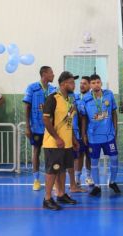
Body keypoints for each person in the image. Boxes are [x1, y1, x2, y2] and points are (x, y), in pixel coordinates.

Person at [42, 71, 78, 210]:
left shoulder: (69, 100)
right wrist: (57, 138)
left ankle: (61, 194)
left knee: (62, 170)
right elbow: (45, 119)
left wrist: (73, 139)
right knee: (52, 171)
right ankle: (47, 199)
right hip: (54, 143)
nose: (73, 85)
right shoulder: (53, 98)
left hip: (67, 144)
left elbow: (68, 122)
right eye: (71, 82)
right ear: (63, 84)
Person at [81, 74, 120, 196]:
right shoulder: (86, 98)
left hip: (108, 135)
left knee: (114, 158)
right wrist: (84, 134)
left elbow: (114, 112)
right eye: (93, 83)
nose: (96, 84)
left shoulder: (109, 94)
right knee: (94, 161)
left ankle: (112, 181)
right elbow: (83, 118)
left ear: (101, 83)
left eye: (98, 82)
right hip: (93, 136)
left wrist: (115, 129)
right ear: (90, 85)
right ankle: (97, 186)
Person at [23, 66, 57, 191]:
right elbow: (27, 107)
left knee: (51, 155)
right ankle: (36, 180)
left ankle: (52, 181)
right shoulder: (32, 88)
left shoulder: (54, 89)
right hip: (36, 127)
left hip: (50, 128)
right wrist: (27, 126)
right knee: (36, 152)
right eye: (51, 73)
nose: (53, 75)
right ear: (44, 74)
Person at [73, 76, 93, 187]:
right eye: (80, 83)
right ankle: (77, 178)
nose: (81, 85)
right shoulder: (75, 97)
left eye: (84, 83)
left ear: (90, 85)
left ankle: (89, 177)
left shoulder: (92, 98)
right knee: (79, 155)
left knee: (89, 155)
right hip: (78, 132)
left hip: (90, 132)